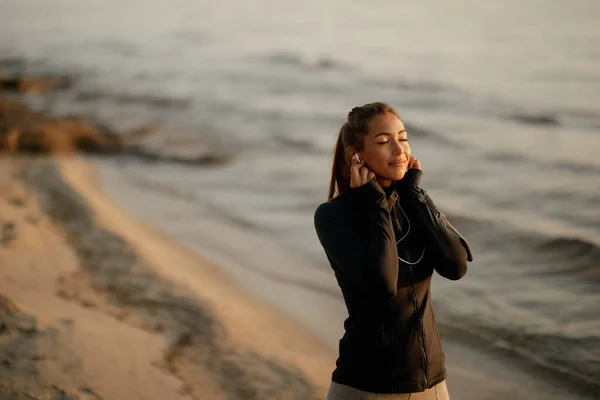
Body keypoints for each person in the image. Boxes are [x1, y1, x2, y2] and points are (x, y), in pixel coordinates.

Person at [313, 102, 473, 399]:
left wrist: (415, 194)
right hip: (369, 386)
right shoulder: (334, 216)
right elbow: (383, 284)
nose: (399, 150)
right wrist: (375, 205)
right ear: (355, 154)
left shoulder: (413, 203)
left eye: (403, 137)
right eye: (385, 142)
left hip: (434, 385)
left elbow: (456, 266)